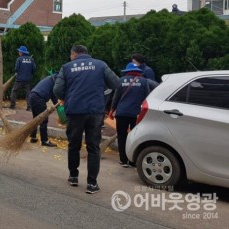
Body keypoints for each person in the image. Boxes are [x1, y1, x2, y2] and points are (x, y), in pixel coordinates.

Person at [53, 45, 119, 194]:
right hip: (95, 112)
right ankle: (92, 183)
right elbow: (115, 83)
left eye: (71, 55)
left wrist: (67, 98)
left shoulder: (66, 67)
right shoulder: (100, 65)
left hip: (75, 111)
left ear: (74, 54)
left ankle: (73, 177)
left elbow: (57, 90)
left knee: (74, 144)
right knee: (94, 147)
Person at [109, 63, 158, 168]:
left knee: (122, 137)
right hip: (136, 114)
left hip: (121, 113)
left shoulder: (121, 80)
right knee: (136, 137)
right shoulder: (144, 81)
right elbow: (147, 98)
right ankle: (133, 161)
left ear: (127, 71)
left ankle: (123, 160)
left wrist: (112, 110)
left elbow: (116, 97)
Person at [28, 73, 59, 147]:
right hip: (39, 98)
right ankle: (45, 140)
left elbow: (53, 96)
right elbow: (54, 97)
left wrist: (57, 105)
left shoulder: (49, 79)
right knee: (43, 119)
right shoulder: (54, 82)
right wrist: (59, 107)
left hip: (32, 96)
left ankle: (33, 137)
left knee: (36, 118)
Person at [10, 45, 36, 110]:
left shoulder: (19, 59)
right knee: (28, 93)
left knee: (14, 91)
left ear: (21, 52)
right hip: (28, 80)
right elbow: (34, 69)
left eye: (19, 51)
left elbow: (16, 69)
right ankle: (29, 107)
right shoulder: (31, 59)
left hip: (19, 79)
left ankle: (12, 106)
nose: (18, 52)